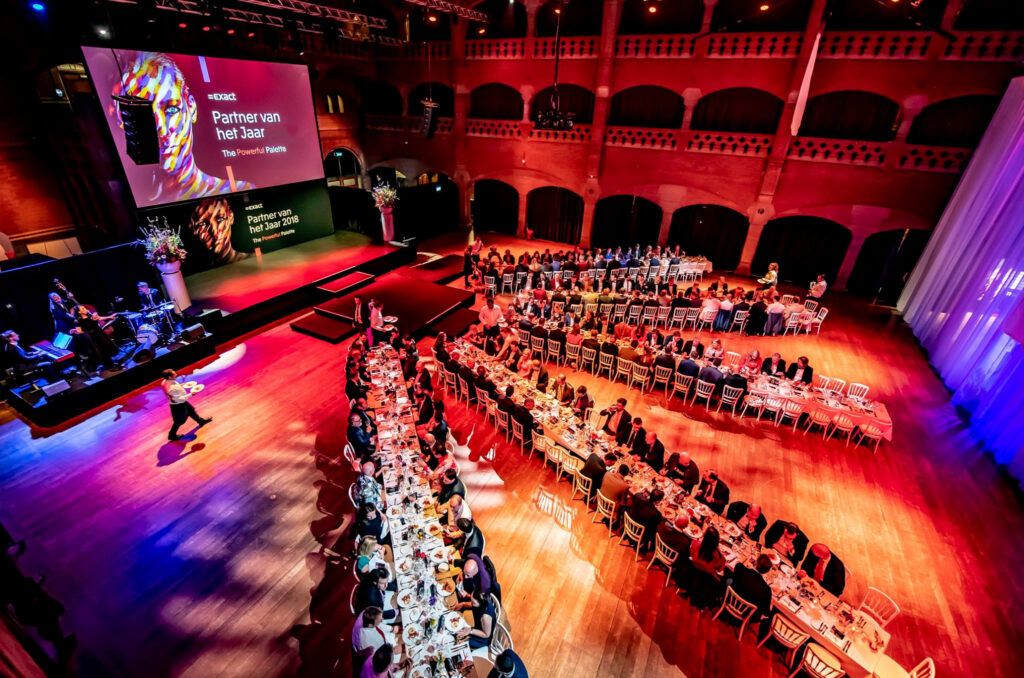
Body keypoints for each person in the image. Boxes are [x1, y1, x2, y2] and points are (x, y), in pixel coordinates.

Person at [115, 52, 253, 203]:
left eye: (171, 109)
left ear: (191, 108)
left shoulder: (240, 190)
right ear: (123, 120)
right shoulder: (126, 201)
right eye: (143, 113)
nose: (161, 129)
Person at [161, 369, 210, 441]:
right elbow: (179, 399)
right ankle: (172, 435)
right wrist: (191, 394)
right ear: (169, 377)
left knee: (191, 410)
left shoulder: (165, 381)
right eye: (174, 374)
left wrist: (181, 385)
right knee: (179, 421)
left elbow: (174, 392)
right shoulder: (172, 388)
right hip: (178, 405)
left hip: (178, 403)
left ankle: (200, 421)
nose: (176, 374)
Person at [688, 525, 726, 609]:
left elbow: (691, 554)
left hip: (694, 572)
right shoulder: (718, 557)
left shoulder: (695, 544)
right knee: (724, 580)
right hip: (708, 579)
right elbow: (720, 569)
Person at [729, 555, 774, 625]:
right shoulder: (766, 589)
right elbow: (766, 613)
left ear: (756, 562)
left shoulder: (739, 567)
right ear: (767, 572)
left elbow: (732, 581)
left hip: (730, 601)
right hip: (745, 614)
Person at [459, 580, 496, 650]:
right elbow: (473, 600)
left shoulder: (485, 617)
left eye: (473, 603)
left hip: (483, 638)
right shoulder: (482, 598)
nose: (471, 604)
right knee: (460, 631)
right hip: (477, 627)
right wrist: (463, 603)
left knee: (461, 642)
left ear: (481, 603)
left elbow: (486, 635)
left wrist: (470, 631)